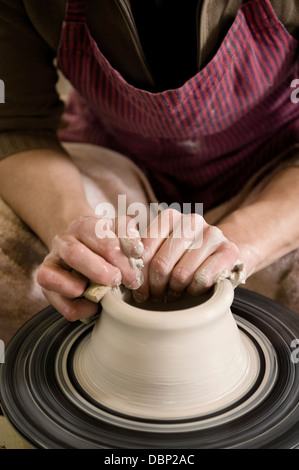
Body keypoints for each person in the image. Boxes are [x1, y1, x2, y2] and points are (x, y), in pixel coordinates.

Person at [0, 0, 298, 323]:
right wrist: (75, 234)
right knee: (16, 269)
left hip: (275, 166)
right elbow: (17, 125)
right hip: (117, 154)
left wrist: (242, 244)